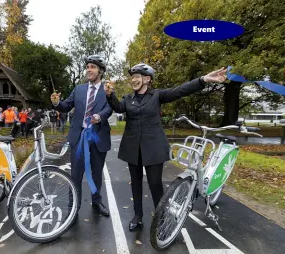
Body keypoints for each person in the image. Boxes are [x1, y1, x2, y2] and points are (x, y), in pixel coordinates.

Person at [104, 63, 227, 231]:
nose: (134, 80)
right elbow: (118, 107)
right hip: (132, 148)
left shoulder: (157, 95)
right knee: (136, 183)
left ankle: (160, 215)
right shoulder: (128, 98)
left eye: (137, 76)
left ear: (147, 79)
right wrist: (110, 95)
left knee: (155, 183)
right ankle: (137, 215)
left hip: (154, 147)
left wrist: (204, 79)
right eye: (132, 77)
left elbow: (180, 90)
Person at [51, 54, 113, 218]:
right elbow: (66, 106)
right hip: (79, 138)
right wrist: (57, 103)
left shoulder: (106, 89)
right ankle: (74, 206)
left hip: (98, 137)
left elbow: (110, 107)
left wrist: (99, 117)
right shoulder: (79, 89)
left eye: (92, 67)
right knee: (76, 174)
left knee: (96, 173)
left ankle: (97, 202)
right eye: (87, 67)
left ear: (100, 70)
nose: (89, 70)